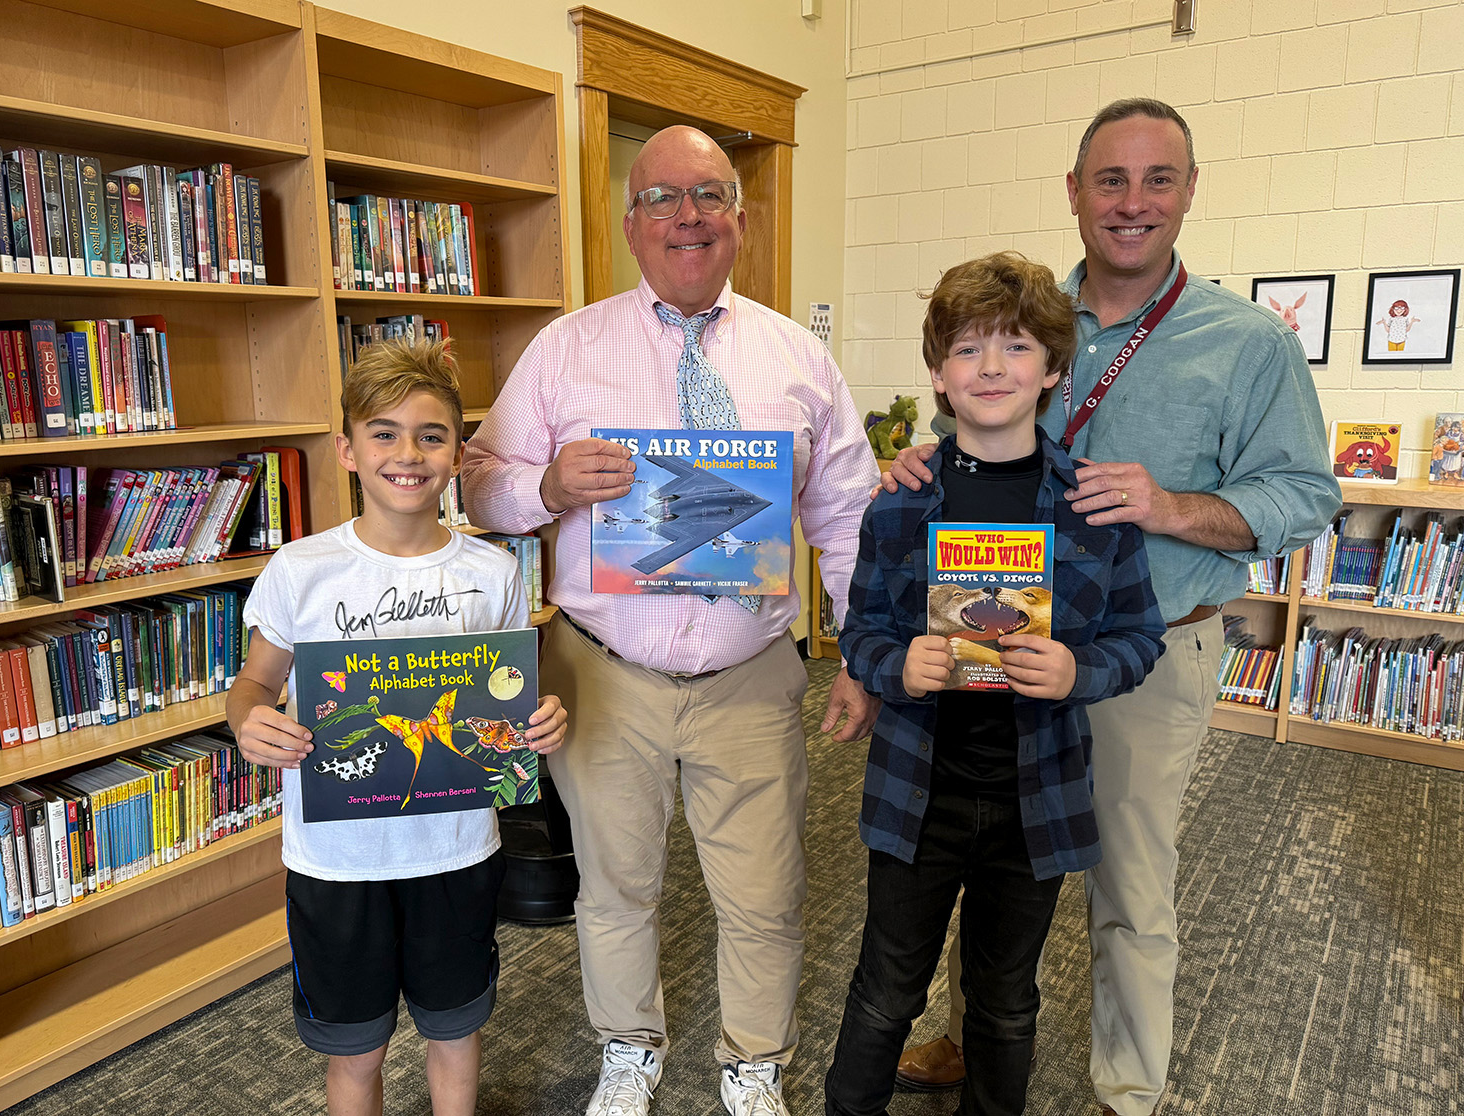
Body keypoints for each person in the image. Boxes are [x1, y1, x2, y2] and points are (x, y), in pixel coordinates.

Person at [885, 99, 1341, 1116]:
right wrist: (926, 457)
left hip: (1145, 653)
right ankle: (967, 1031)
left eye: (1158, 180)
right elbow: (972, 424)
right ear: (1076, 192)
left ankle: (1125, 1089)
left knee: (1130, 887)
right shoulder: (1029, 318)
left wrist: (1169, 505)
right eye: (1110, 180)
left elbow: (1305, 497)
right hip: (997, 645)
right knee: (983, 850)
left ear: (1188, 192)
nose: (1132, 203)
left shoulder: (1248, 341)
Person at [459, 124, 880, 1116]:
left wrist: (861, 649)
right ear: (630, 221)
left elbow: (851, 518)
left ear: (739, 216)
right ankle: (628, 1046)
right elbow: (477, 486)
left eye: (707, 196)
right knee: (614, 886)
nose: (685, 217)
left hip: (752, 670)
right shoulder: (566, 349)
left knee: (765, 892)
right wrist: (547, 483)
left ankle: (752, 1061)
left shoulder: (799, 359)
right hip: (605, 670)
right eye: (661, 199)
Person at [825, 251, 1166, 1116]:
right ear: (938, 374)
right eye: (968, 350)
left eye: (1015, 348)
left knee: (1006, 1002)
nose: (991, 369)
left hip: (1036, 798)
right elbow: (858, 630)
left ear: (1053, 368)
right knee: (886, 991)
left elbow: (1140, 637)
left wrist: (1078, 671)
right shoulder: (900, 502)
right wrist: (894, 665)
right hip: (918, 794)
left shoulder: (1090, 505)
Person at [228, 338, 568, 1116]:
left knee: (455, 1029)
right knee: (356, 1048)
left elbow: (513, 695)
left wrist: (542, 721)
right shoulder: (301, 569)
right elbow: (254, 682)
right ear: (347, 449)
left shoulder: (493, 572)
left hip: (456, 851)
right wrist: (250, 720)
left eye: (431, 435)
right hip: (336, 861)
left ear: (457, 453)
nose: (406, 454)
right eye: (383, 433)